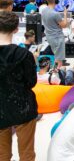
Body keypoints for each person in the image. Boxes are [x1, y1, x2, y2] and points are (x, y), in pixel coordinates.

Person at [0, 11, 38, 161]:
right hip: (23, 107)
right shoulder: (24, 54)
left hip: (1, 108)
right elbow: (31, 82)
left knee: (2, 154)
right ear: (16, 29)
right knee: (27, 152)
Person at [41, 0, 68, 69]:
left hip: (49, 36)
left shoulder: (44, 11)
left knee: (56, 56)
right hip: (57, 37)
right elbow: (64, 25)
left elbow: (53, 23)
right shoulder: (55, 14)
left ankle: (55, 72)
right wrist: (65, 14)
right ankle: (56, 74)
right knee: (59, 59)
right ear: (55, 1)